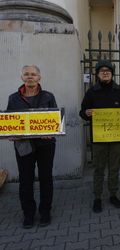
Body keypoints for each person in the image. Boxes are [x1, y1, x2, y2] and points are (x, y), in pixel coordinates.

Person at [6, 65, 57, 229]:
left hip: (45, 144)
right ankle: (28, 214)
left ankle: (45, 212)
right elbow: (9, 121)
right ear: (22, 78)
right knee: (25, 180)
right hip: (23, 145)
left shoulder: (48, 96)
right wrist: (10, 134)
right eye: (26, 74)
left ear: (39, 78)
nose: (30, 77)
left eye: (33, 74)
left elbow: (55, 120)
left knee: (46, 178)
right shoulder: (13, 98)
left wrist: (52, 132)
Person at [79, 59, 120, 213]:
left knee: (114, 167)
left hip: (116, 137)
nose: (105, 73)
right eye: (102, 71)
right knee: (98, 168)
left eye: (108, 71)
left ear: (112, 74)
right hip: (99, 138)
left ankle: (113, 194)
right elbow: (82, 112)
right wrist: (87, 113)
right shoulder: (91, 92)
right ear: (97, 74)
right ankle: (97, 197)